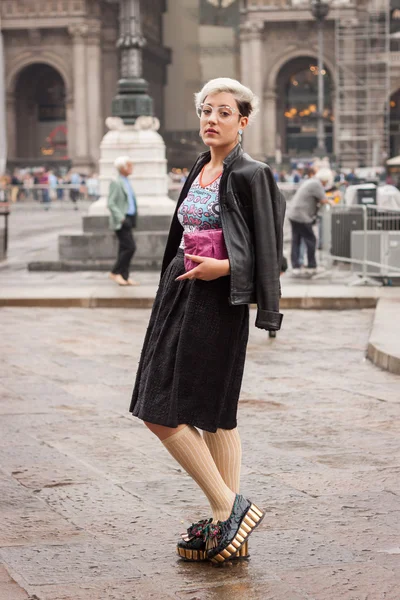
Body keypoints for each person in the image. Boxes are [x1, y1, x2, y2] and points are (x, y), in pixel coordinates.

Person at [129, 78, 285, 565]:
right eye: (205, 111)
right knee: (199, 409)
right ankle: (227, 528)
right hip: (181, 291)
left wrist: (227, 269)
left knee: (174, 409)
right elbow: (182, 234)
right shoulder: (199, 167)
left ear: (243, 122)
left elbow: (269, 252)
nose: (211, 120)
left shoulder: (252, 174)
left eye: (223, 112)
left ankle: (228, 509)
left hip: (217, 299)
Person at [288, 168, 333, 274]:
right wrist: (332, 202)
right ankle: (311, 265)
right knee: (311, 240)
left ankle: (296, 265)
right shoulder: (316, 184)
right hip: (302, 216)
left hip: (294, 214)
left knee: (296, 240)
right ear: (325, 180)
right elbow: (323, 199)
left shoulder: (312, 182)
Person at [107, 156, 139, 287]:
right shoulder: (116, 182)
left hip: (129, 218)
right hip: (122, 220)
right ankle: (115, 272)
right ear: (122, 168)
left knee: (124, 248)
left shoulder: (126, 181)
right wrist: (121, 217)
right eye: (129, 166)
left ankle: (124, 276)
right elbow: (111, 203)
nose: (132, 168)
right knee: (130, 247)